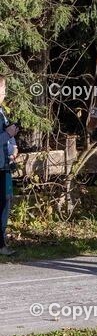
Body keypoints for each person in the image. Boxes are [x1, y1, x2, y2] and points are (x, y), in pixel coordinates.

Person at [0, 77, 18, 256]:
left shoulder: (2, 111)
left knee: (6, 201)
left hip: (5, 164)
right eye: (2, 90)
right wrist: (7, 134)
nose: (4, 94)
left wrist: (13, 146)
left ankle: (2, 243)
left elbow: (5, 136)